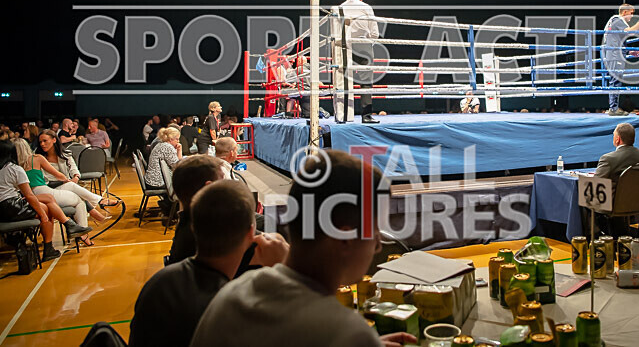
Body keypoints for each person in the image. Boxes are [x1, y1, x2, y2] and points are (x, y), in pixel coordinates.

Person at [190, 150, 416, 347]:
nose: (378, 246)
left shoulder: (232, 295)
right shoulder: (345, 331)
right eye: (374, 232)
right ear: (345, 237)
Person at [129, 180, 288, 347]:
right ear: (251, 233)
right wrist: (283, 270)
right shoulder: (235, 308)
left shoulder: (159, 282)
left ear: (194, 226)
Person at [0, 141, 91, 261]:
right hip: (12, 206)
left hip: (5, 206)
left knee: (48, 198)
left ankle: (69, 225)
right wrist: (42, 215)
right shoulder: (15, 169)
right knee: (47, 209)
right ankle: (50, 246)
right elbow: (29, 195)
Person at [13, 139, 108, 246]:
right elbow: (57, 174)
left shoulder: (13, 167)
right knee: (79, 199)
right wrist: (67, 180)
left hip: (30, 197)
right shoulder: (36, 158)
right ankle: (84, 232)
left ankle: (83, 231)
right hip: (44, 192)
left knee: (73, 191)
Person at [594, 123, 639, 236]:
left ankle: (595, 238)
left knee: (585, 196)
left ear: (618, 139)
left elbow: (596, 183)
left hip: (616, 205)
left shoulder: (608, 159)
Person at [36, 129, 116, 208]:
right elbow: (45, 182)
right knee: (72, 187)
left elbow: (74, 168)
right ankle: (100, 200)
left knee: (79, 199)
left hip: (66, 186)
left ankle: (97, 212)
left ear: (54, 140)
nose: (42, 144)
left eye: (45, 141)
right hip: (49, 188)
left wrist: (76, 176)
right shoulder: (38, 159)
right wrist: (64, 182)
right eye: (40, 142)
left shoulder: (65, 155)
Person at [341, 0, 381, 124]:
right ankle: (366, 116)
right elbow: (375, 33)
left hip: (343, 45)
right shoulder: (366, 7)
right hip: (363, 45)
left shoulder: (339, 8)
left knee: (342, 80)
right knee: (366, 81)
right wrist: (368, 44)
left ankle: (343, 115)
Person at [602, 4, 639, 116]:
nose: (632, 16)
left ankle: (613, 107)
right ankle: (613, 108)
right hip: (615, 55)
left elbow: (617, 40)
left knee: (616, 81)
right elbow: (630, 32)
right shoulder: (617, 19)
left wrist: (629, 51)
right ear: (624, 12)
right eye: (631, 13)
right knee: (615, 81)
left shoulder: (614, 20)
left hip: (614, 54)